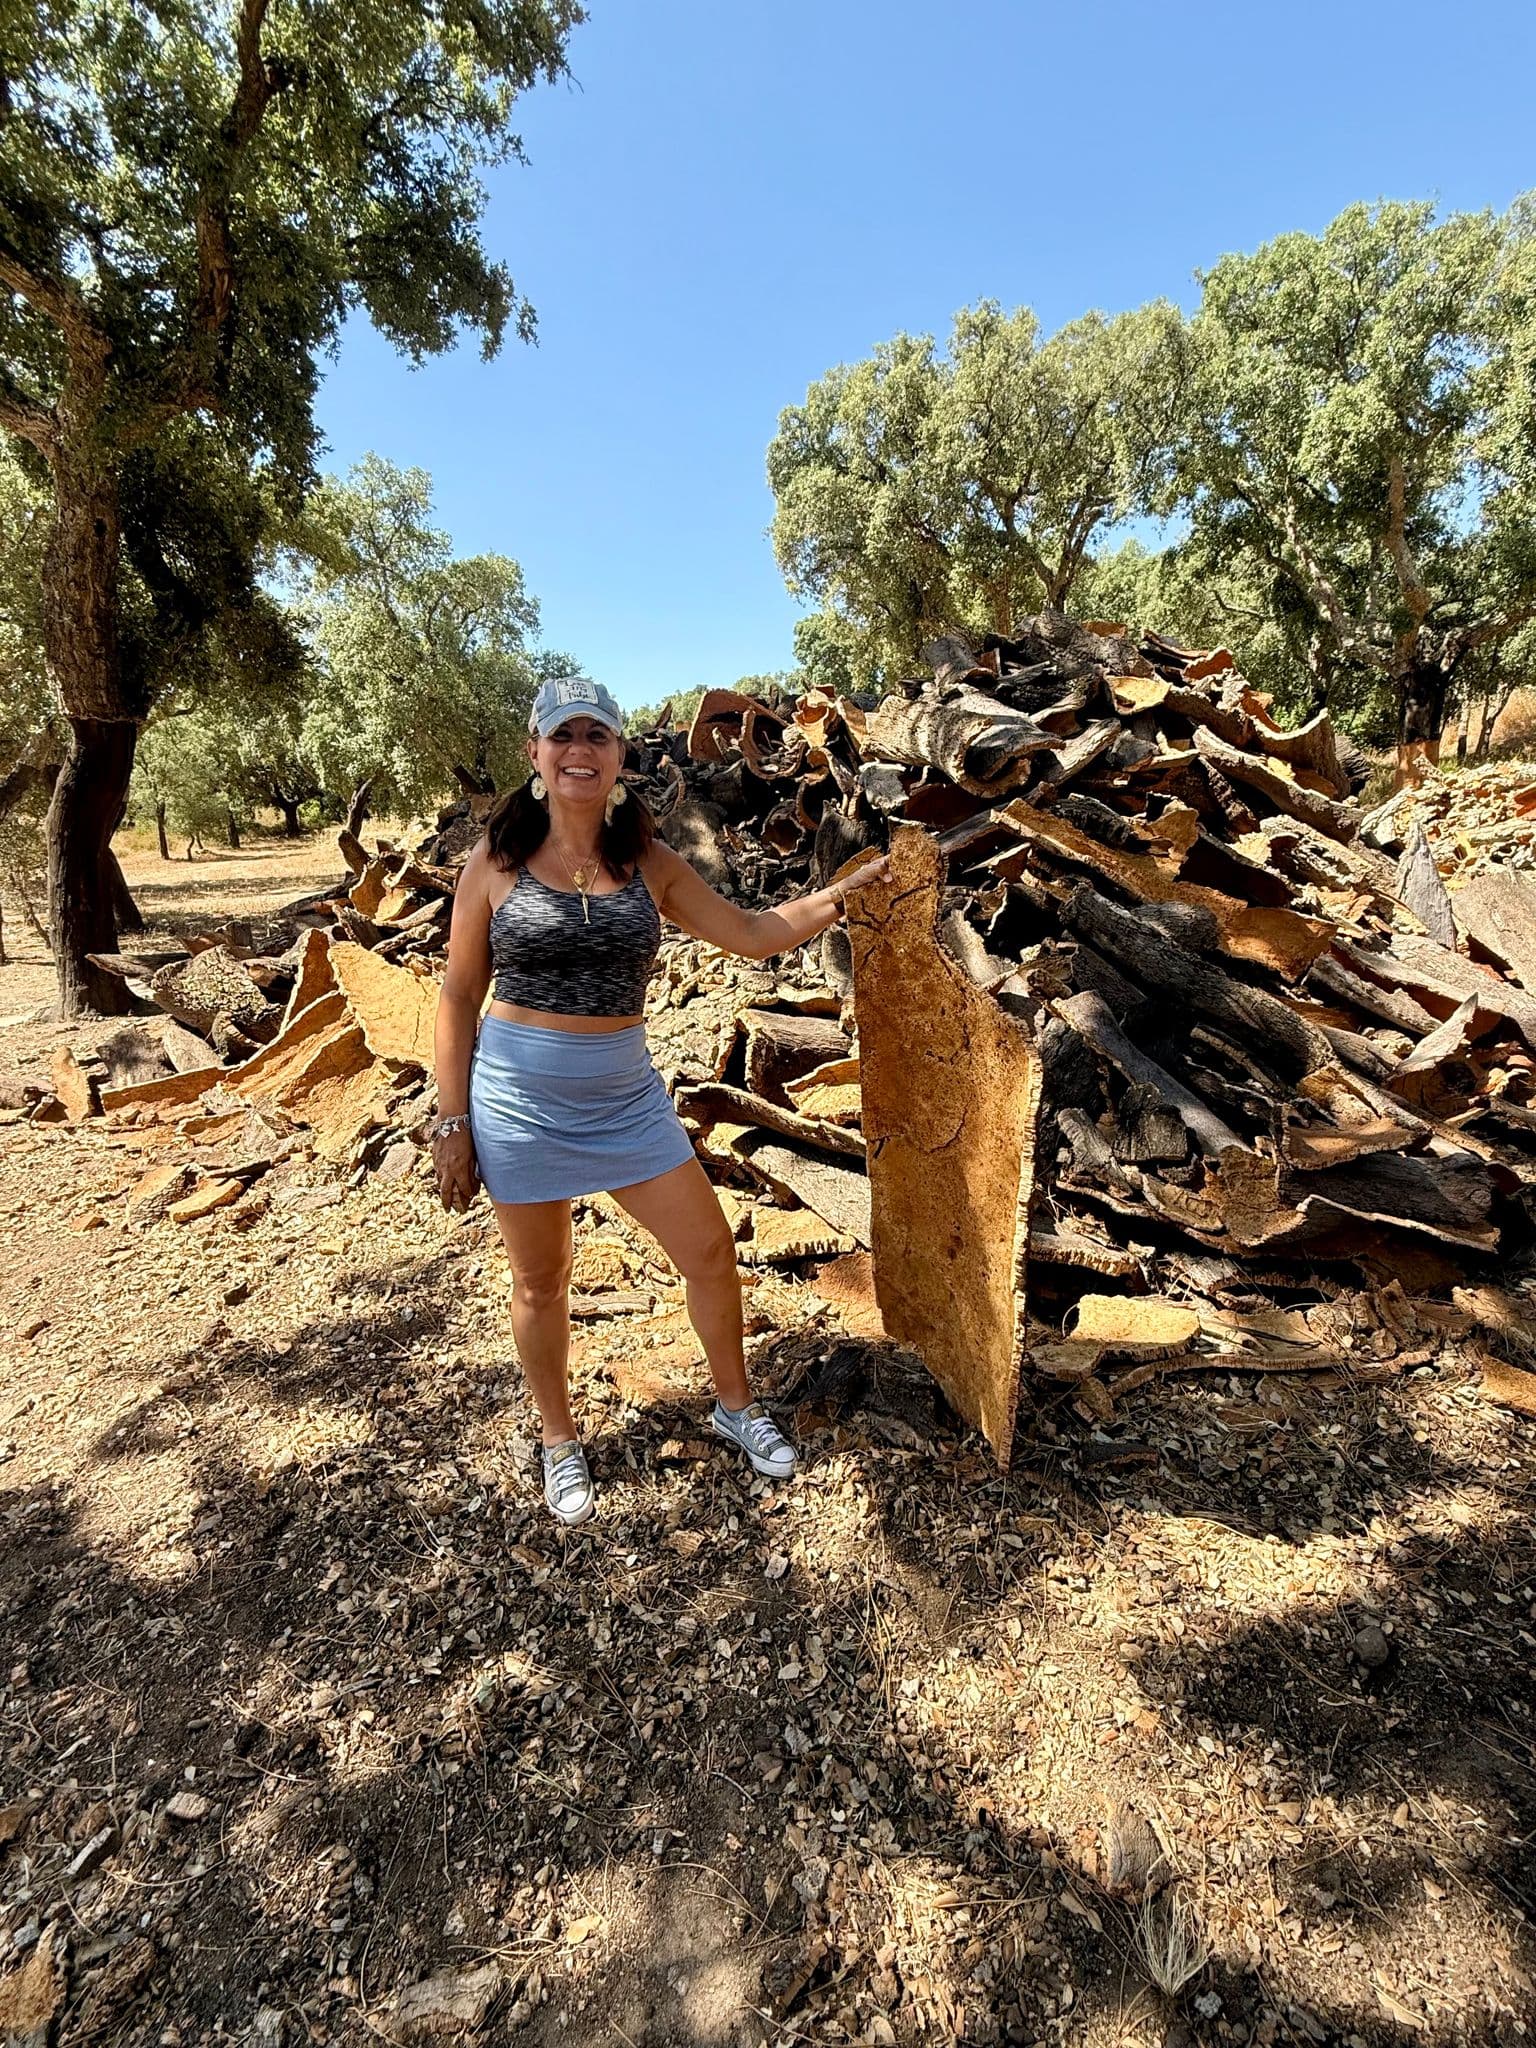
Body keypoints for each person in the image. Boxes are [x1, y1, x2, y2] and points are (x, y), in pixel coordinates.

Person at [431, 675, 890, 1527]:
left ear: (618, 758)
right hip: (518, 1104)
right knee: (541, 1282)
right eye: (562, 736)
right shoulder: (493, 864)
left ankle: (734, 1405)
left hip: (626, 1102)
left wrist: (841, 898)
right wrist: (449, 1119)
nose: (579, 751)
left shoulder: (647, 861)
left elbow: (752, 933)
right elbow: (458, 996)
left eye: (596, 737)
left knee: (711, 1252)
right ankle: (560, 1441)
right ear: (535, 754)